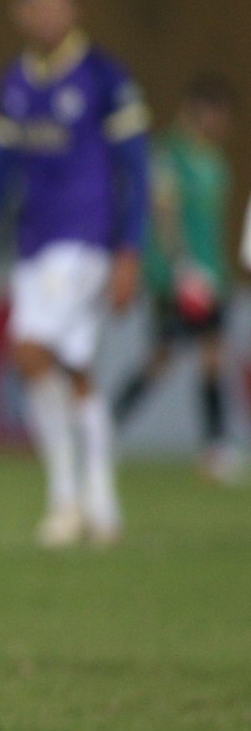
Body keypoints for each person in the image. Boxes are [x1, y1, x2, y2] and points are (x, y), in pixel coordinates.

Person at [0, 0, 150, 547]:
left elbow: (136, 171)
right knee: (73, 368)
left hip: (86, 241)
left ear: (75, 6)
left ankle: (64, 501)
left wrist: (130, 251)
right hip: (35, 245)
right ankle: (102, 503)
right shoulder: (14, 82)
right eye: (35, 2)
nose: (45, 13)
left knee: (29, 349)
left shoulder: (105, 79)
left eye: (57, 1)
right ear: (19, 10)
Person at [116, 75, 236, 479]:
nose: (218, 123)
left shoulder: (214, 160)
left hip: (211, 275)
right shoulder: (171, 154)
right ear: (197, 110)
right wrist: (181, 264)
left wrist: (214, 270)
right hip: (176, 277)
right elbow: (163, 211)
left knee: (213, 357)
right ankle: (107, 427)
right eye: (214, 114)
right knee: (161, 359)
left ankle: (215, 448)